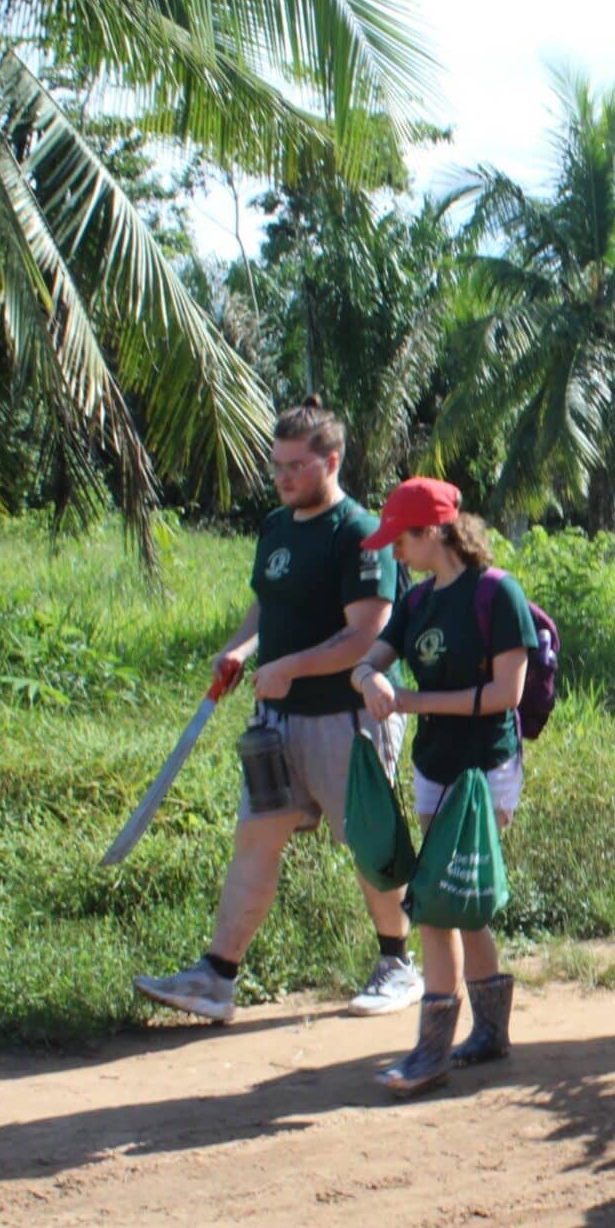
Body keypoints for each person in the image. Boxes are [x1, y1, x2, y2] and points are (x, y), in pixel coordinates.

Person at [133, 399, 414, 1024]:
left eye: (295, 465)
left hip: (347, 717)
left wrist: (288, 668)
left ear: (330, 461)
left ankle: (398, 961)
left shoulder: (362, 533)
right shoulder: (275, 527)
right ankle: (217, 978)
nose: (282, 476)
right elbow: (268, 607)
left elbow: (366, 637)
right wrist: (241, 648)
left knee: (371, 843)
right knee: (255, 840)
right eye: (276, 464)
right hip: (277, 722)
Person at [349, 477, 537, 1095]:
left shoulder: (497, 594)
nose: (392, 552)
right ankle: (489, 1033)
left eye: (399, 540)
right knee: (456, 898)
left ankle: (430, 1052)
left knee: (434, 902)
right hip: (432, 764)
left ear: (432, 532)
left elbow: (507, 695)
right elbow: (368, 660)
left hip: (486, 768)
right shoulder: (416, 601)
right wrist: (369, 679)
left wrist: (410, 698)